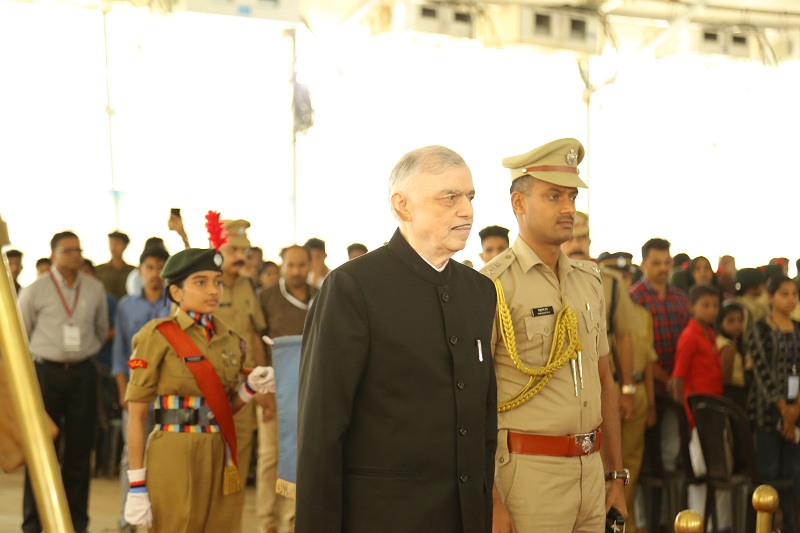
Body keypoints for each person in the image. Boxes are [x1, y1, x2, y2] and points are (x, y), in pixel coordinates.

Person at [297, 145, 497, 533]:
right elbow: (321, 431)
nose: (467, 211)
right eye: (450, 197)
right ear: (402, 206)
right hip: (383, 518)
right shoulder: (353, 287)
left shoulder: (479, 291)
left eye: (470, 197)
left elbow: (483, 421)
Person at [482, 138, 626, 532]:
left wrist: (615, 476)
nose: (568, 208)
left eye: (572, 197)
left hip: (591, 474)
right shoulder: (491, 285)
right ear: (519, 203)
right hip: (529, 478)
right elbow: (471, 401)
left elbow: (605, 380)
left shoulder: (589, 280)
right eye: (554, 196)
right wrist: (490, 499)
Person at [123, 243, 276, 532]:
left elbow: (223, 408)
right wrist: (137, 485)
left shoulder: (230, 339)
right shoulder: (157, 336)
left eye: (217, 282)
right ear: (177, 292)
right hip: (174, 449)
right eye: (201, 282)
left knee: (221, 526)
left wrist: (250, 389)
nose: (213, 290)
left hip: (219, 450)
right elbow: (137, 415)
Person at [18, 231, 110, 533]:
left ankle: (76, 523)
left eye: (78, 250)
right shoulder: (35, 290)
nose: (75, 255)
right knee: (41, 450)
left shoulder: (95, 288)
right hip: (46, 375)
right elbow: (21, 333)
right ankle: (33, 524)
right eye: (68, 250)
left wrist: (80, 353)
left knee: (80, 452)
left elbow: (101, 330)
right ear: (53, 254)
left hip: (83, 373)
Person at [258, 245, 318, 533]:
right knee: (271, 457)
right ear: (282, 265)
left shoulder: (322, 296)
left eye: (301, 265)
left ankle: (290, 523)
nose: (296, 271)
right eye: (290, 265)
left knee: (303, 457)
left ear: (310, 265)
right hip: (275, 391)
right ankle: (266, 523)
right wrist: (263, 392)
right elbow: (255, 341)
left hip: (311, 392)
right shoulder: (266, 297)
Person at [596, 251, 657, 533]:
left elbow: (648, 360)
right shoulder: (598, 305)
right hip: (609, 390)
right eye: (616, 275)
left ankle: (626, 525)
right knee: (606, 467)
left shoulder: (643, 314)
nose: (622, 280)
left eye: (626, 276)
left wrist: (646, 401)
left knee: (631, 465)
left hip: (636, 390)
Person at [112, 246, 171, 533]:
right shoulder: (126, 306)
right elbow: (120, 351)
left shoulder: (174, 303)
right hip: (136, 390)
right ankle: (129, 519)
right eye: (149, 267)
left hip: (167, 392)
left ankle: (160, 516)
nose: (155, 273)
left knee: (165, 454)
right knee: (131, 454)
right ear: (140, 271)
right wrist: (124, 389)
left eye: (161, 267)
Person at [215, 218, 269, 502]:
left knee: (242, 447)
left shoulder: (247, 285)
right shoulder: (205, 284)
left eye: (243, 251)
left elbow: (254, 334)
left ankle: (232, 510)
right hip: (211, 382)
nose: (240, 257)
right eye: (233, 250)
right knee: (211, 450)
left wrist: (261, 381)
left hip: (244, 383)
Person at [670, 284, 728, 526]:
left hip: (712, 414)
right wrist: (685, 417)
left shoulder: (709, 333)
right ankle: (697, 525)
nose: (712, 310)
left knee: (717, 474)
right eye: (706, 305)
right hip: (697, 417)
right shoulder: (690, 336)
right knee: (701, 474)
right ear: (691, 307)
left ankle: (718, 526)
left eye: (715, 305)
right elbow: (677, 380)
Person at [748, 275, 800, 531]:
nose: (791, 299)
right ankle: (766, 527)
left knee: (794, 473)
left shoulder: (798, 329)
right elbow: (763, 374)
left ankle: (791, 526)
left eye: (794, 294)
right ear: (770, 297)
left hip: (797, 413)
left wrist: (795, 410)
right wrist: (784, 411)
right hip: (767, 413)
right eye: (784, 294)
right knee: (768, 472)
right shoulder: (759, 329)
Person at [716, 301, 749, 409]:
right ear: (720, 323)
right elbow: (726, 380)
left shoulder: (725, 341)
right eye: (731, 321)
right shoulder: (727, 347)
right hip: (733, 395)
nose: (737, 325)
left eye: (740, 321)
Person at [96, 231, 136, 300]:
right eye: (111, 243)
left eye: (116, 243)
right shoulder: (99, 270)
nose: (113, 247)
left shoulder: (133, 271)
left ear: (125, 246)